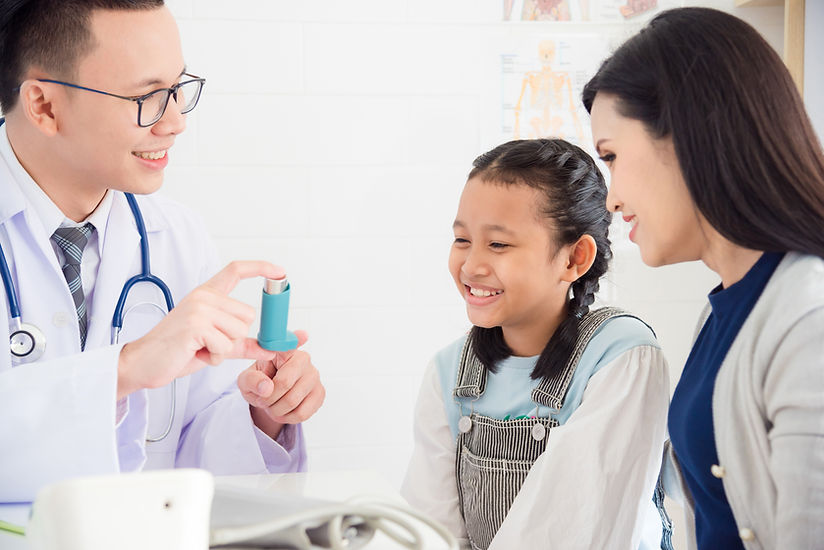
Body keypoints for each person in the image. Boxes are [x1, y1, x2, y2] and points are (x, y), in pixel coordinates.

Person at [0, 0, 324, 503]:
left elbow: (187, 457)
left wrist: (264, 413)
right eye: (147, 97)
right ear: (44, 106)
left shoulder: (176, 235)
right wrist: (123, 372)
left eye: (176, 89)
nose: (175, 122)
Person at [583, 7, 824, 550]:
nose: (612, 198)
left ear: (689, 135)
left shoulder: (809, 319)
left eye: (612, 156)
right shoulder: (723, 312)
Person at [402, 138, 671, 549]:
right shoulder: (449, 372)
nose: (471, 265)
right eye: (462, 240)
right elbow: (431, 531)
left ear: (574, 259)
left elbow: (576, 529)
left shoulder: (622, 356)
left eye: (498, 244)